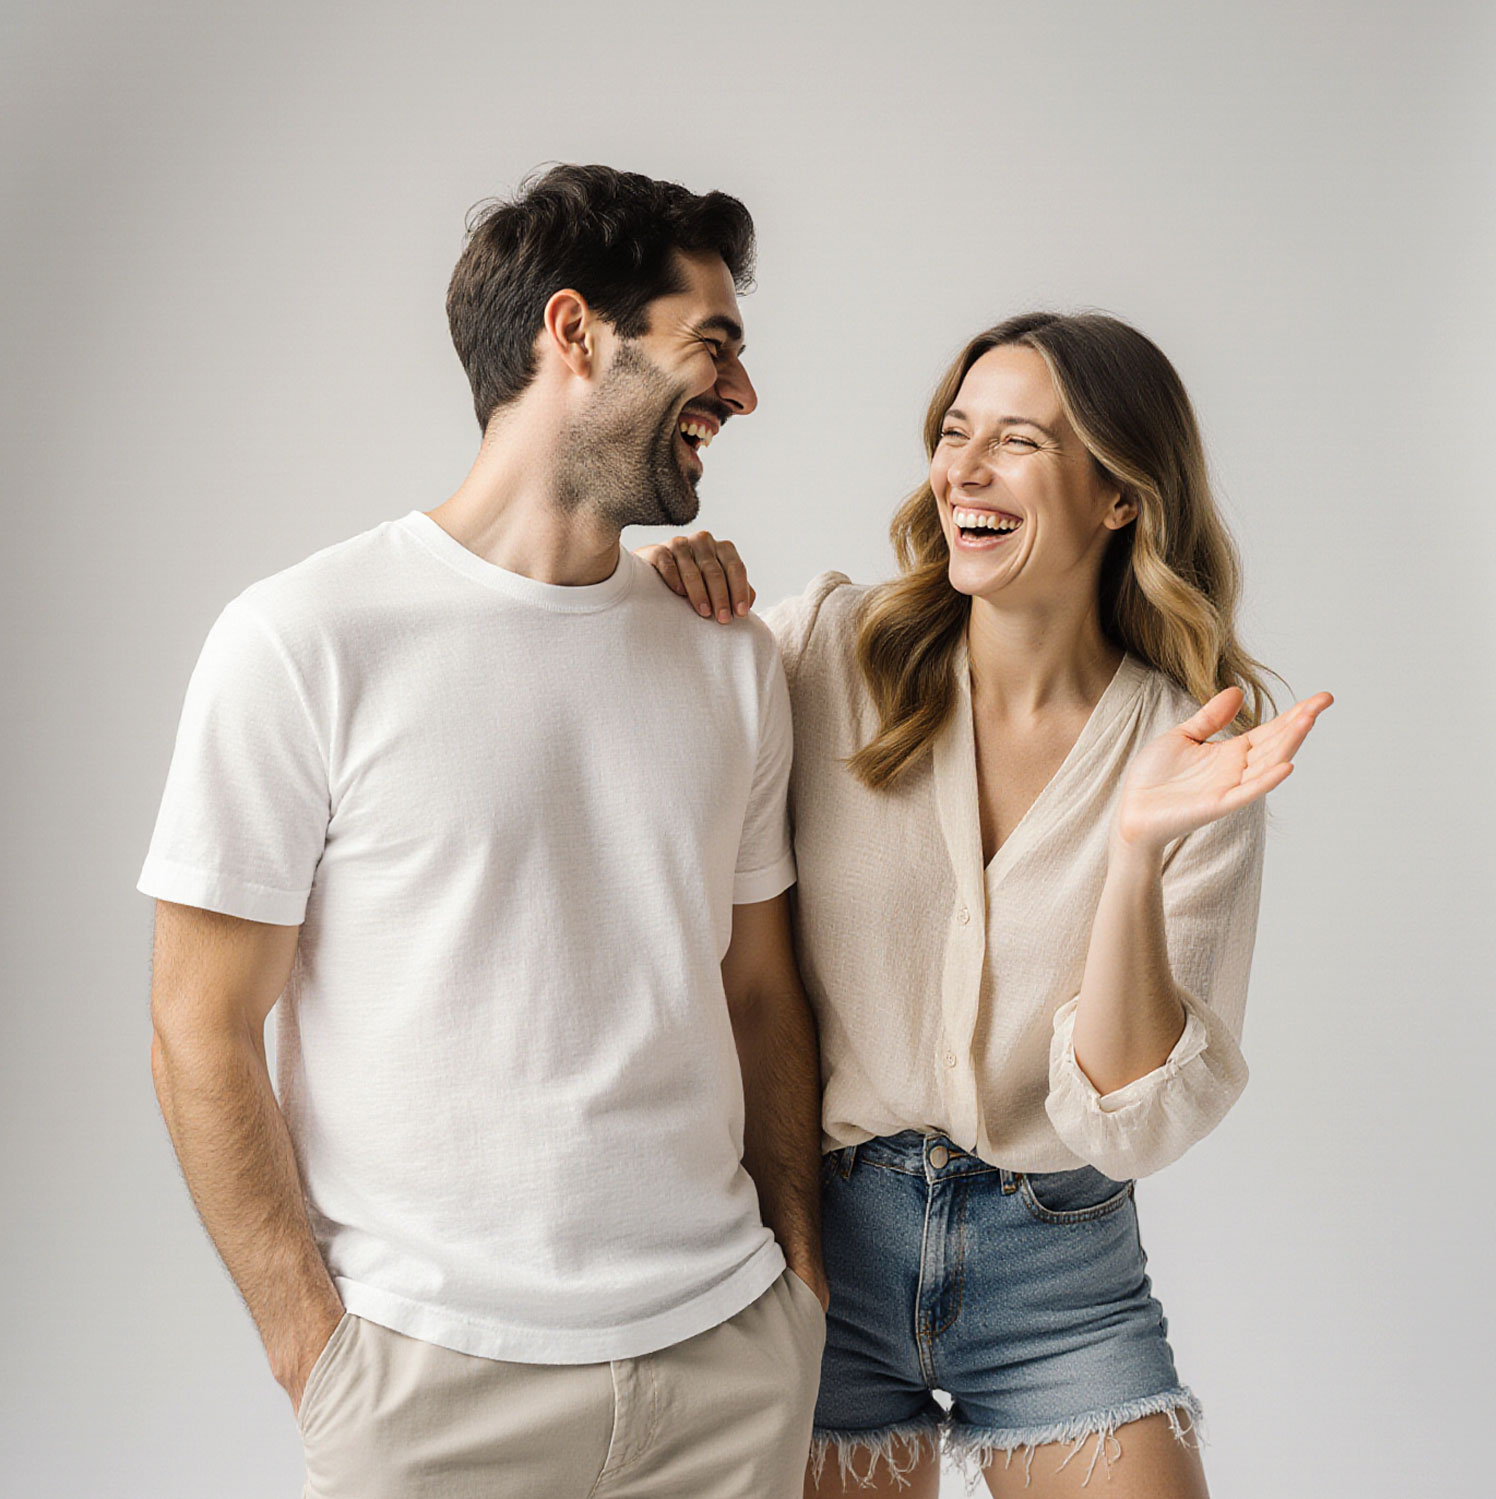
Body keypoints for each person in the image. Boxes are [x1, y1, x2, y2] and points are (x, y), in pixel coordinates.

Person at [139, 163, 828, 1499]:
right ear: (573, 332)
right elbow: (197, 1025)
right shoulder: (304, 641)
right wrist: (315, 1349)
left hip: (726, 1364)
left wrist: (795, 1280)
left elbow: (760, 992)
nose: (742, 394)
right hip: (428, 1380)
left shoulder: (727, 656)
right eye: (715, 346)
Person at [639, 311, 1333, 1498]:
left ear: (1120, 493)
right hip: (820, 1243)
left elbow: (1130, 1123)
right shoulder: (825, 650)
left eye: (1019, 441)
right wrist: (648, 597)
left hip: (1058, 1268)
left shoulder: (1193, 751)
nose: (964, 468)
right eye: (955, 432)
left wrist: (1129, 854)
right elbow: (624, 745)